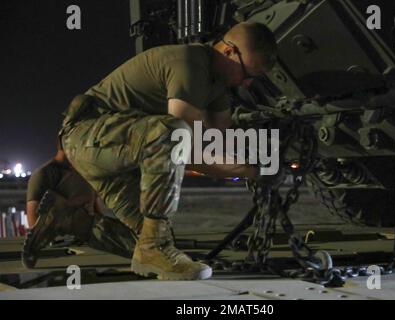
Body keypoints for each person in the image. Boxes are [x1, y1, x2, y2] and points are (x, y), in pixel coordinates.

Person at [57, 22, 278, 280]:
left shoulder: (218, 87)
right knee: (173, 133)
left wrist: (266, 150)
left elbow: (219, 142)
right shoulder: (190, 63)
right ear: (229, 51)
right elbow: (188, 150)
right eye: (246, 73)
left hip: (118, 152)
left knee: (147, 238)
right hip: (86, 138)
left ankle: (69, 222)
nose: (247, 83)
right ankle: (156, 248)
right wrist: (253, 170)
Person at [22, 141, 137, 268]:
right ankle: (72, 222)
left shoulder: (85, 171)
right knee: (146, 249)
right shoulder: (45, 173)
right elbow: (34, 223)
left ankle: (75, 223)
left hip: (89, 233)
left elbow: (95, 209)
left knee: (140, 244)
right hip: (69, 237)